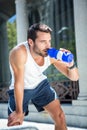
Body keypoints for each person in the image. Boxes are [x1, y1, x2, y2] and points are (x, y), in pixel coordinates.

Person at [7, 23, 79, 130]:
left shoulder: (50, 54)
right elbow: (19, 82)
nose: (48, 46)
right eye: (43, 41)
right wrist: (19, 111)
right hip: (21, 88)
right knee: (15, 123)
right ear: (31, 42)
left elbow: (74, 77)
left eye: (49, 40)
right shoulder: (19, 52)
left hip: (40, 85)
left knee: (60, 116)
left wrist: (71, 65)